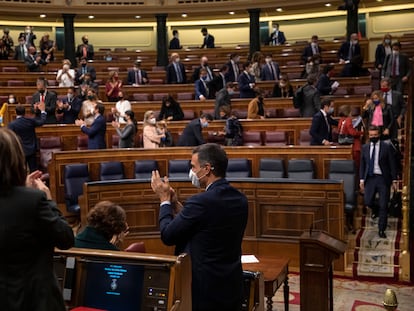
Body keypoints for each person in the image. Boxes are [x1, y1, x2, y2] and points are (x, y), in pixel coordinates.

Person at [150, 143, 248, 311]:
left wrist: (164, 200)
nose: (192, 172)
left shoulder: (201, 202)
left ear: (207, 168)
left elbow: (168, 235)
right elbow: (204, 223)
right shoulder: (240, 198)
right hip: (231, 283)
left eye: (193, 167)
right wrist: (174, 204)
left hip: (205, 289)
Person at [0, 128, 74, 311]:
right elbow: (66, 238)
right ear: (16, 159)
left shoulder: (27, 200)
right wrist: (47, 199)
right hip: (36, 301)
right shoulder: (33, 201)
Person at [360, 126, 398, 239]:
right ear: (368, 135)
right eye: (371, 135)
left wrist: (394, 179)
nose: (373, 137)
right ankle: (374, 208)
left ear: (379, 135)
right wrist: (361, 179)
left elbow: (392, 164)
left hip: (383, 178)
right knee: (367, 201)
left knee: (383, 204)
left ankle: (381, 229)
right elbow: (362, 165)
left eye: (375, 135)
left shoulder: (386, 147)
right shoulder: (365, 147)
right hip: (370, 178)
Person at [8, 103, 46, 172]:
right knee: (34, 171)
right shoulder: (30, 121)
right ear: (24, 112)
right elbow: (41, 122)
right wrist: (42, 111)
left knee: (21, 171)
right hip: (32, 150)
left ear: (15, 112)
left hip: (20, 151)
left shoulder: (12, 124)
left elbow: (10, 137)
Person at [337, 104, 364, 171]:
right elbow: (352, 133)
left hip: (342, 143)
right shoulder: (348, 120)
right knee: (357, 164)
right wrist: (361, 133)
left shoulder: (341, 120)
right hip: (352, 144)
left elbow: (338, 131)